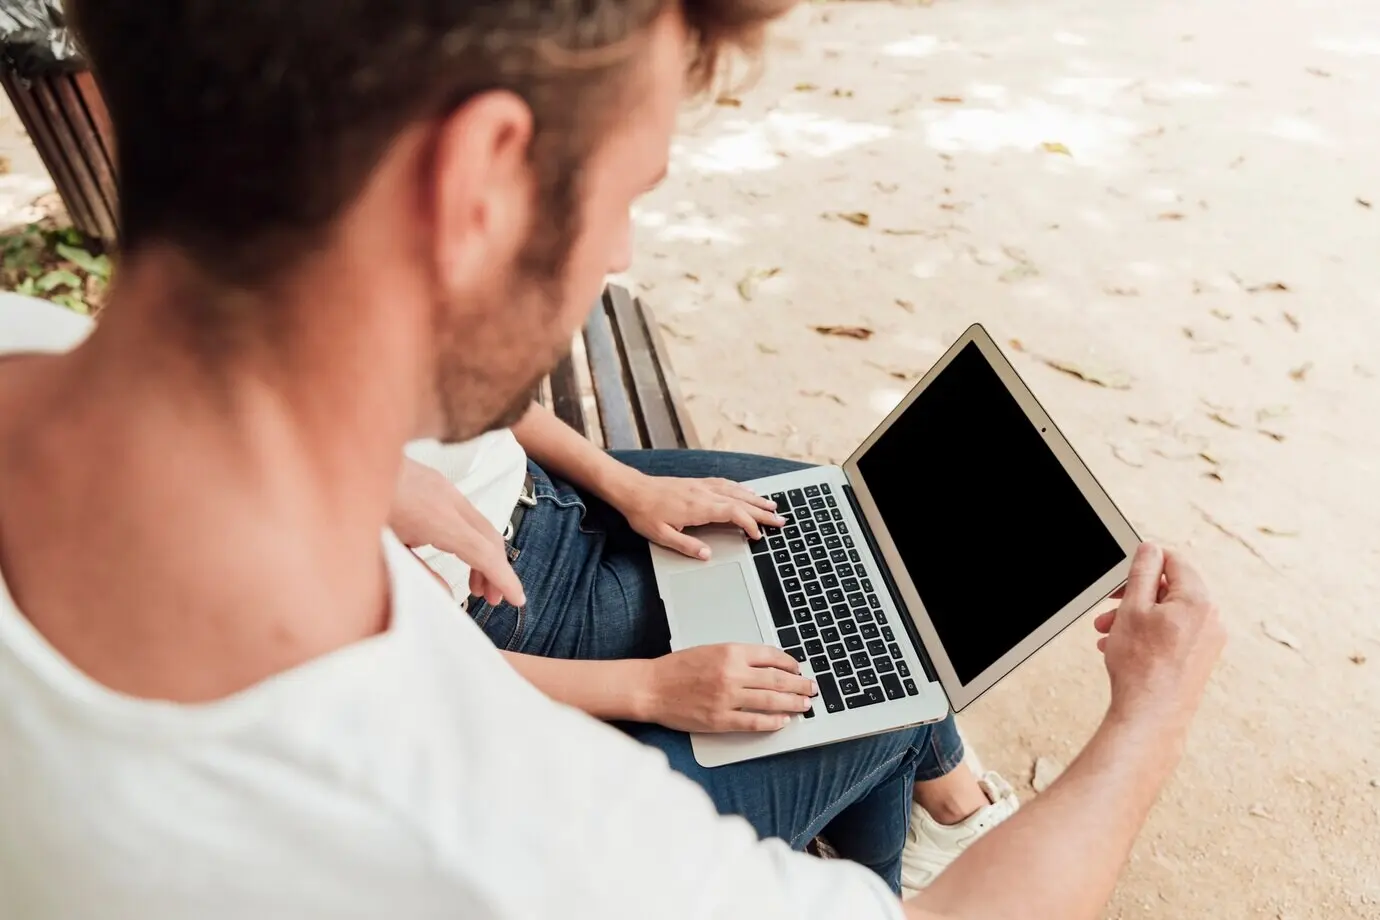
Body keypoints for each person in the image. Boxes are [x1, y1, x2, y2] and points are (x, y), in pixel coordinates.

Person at [0, 2, 1225, 920]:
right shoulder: (483, 840)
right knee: (886, 682)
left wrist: (373, 469)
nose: (621, 249)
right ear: (476, 181)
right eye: (626, 191)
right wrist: (1149, 715)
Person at [391, 414, 1021, 894]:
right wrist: (650, 689)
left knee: (842, 518)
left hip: (539, 488)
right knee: (886, 679)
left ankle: (943, 812)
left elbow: (487, 376)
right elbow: (412, 666)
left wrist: (630, 486)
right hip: (510, 613)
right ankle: (914, 846)